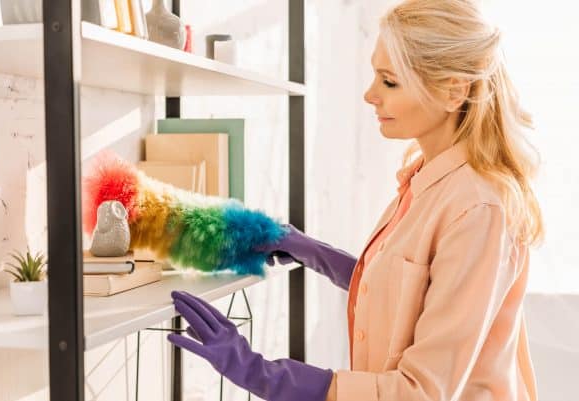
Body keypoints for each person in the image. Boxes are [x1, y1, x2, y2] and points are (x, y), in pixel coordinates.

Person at [167, 0, 545, 400]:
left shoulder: (478, 210)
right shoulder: (425, 179)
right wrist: (312, 251)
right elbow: (408, 295)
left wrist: (260, 372)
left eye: (390, 82)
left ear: (454, 92)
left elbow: (420, 392)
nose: (370, 95)